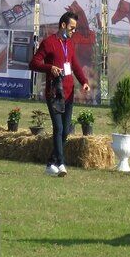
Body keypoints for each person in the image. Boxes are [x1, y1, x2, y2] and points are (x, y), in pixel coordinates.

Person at [29, 10, 91, 177]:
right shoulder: (48, 43)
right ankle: (61, 163)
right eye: (72, 28)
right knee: (58, 128)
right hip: (55, 92)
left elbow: (75, 64)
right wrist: (50, 68)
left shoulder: (70, 44)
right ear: (63, 25)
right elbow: (33, 63)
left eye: (75, 28)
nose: (73, 31)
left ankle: (51, 163)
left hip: (69, 93)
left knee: (65, 131)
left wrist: (84, 81)